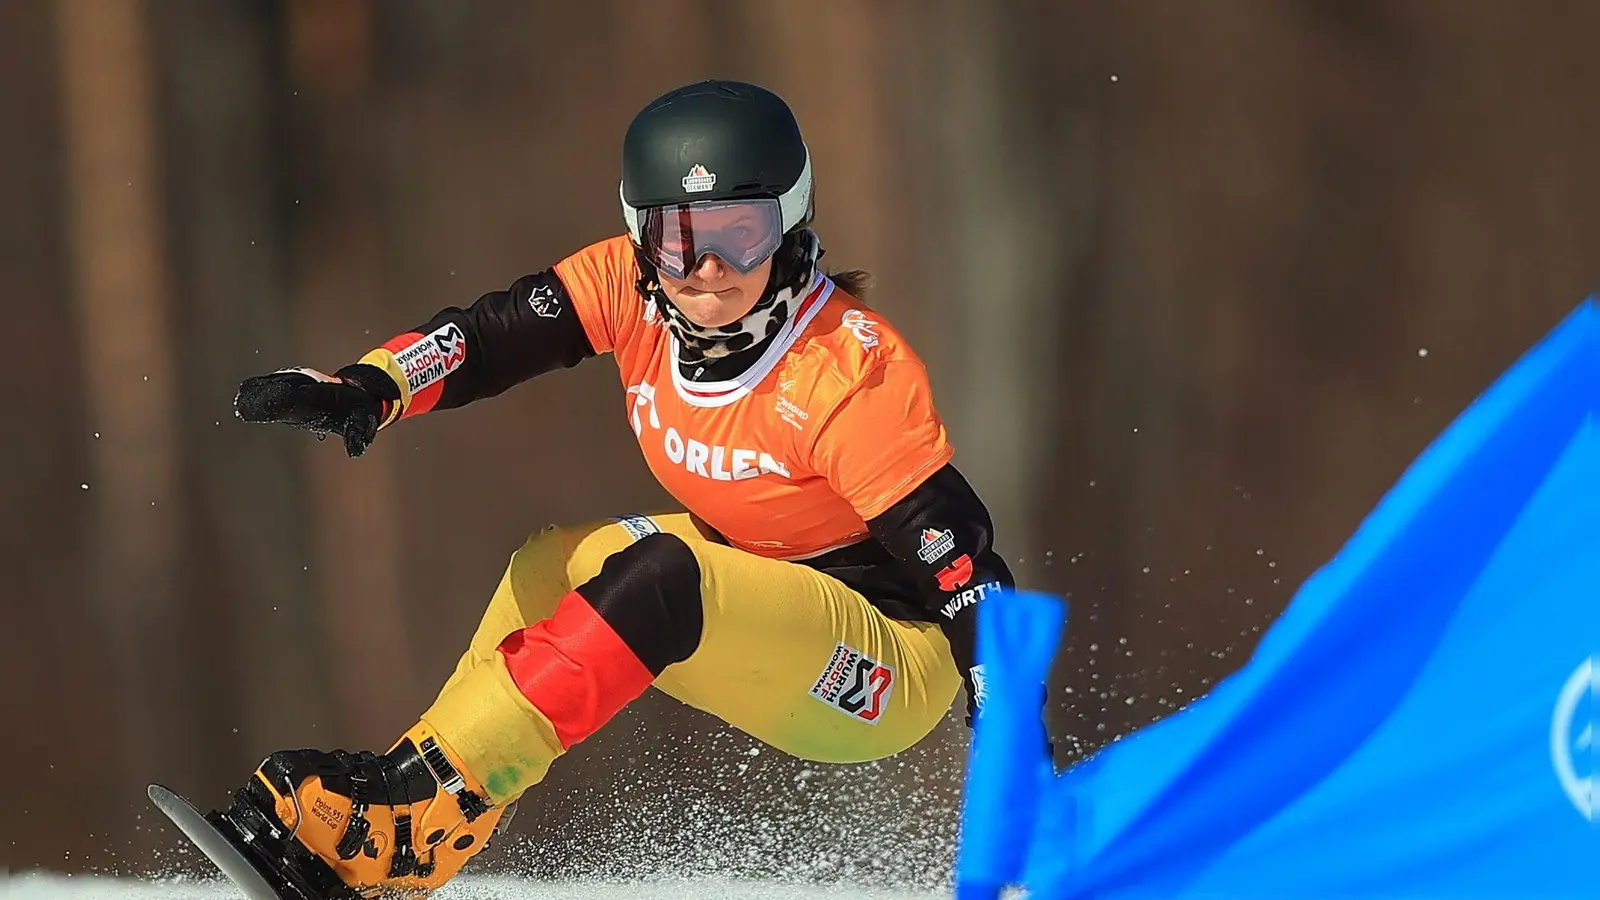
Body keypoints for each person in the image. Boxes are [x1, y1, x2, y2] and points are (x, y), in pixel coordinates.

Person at [225, 79, 1014, 897]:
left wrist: (1007, 711)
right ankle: (412, 817)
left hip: (883, 660)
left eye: (741, 235)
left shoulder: (846, 370)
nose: (708, 272)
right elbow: (487, 339)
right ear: (640, 237)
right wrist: (371, 387)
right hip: (765, 583)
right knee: (552, 566)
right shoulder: (626, 289)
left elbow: (958, 563)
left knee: (663, 575)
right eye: (679, 241)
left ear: (791, 222)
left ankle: (412, 814)